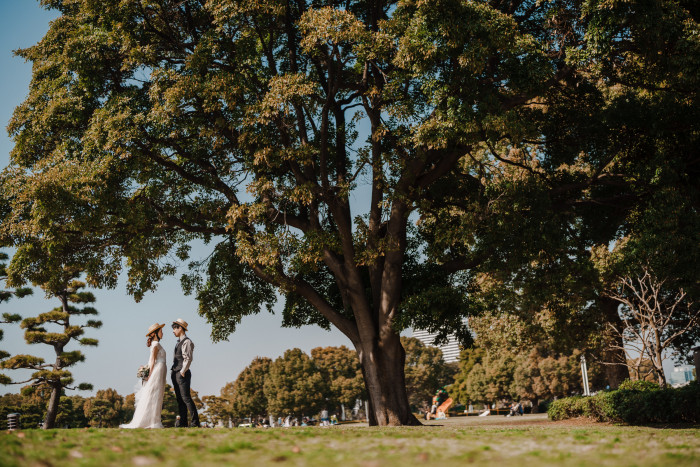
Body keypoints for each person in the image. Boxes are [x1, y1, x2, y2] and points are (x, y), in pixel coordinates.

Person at [121, 323, 167, 429]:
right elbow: (152, 360)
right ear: (155, 333)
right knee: (154, 394)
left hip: (161, 369)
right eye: (160, 331)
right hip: (158, 369)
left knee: (158, 395)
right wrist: (149, 375)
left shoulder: (156, 344)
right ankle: (151, 421)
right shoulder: (155, 345)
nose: (162, 333)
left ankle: (154, 420)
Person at [171, 319, 200, 427]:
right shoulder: (178, 342)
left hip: (182, 373)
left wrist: (182, 372)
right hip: (175, 372)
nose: (173, 331)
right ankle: (183, 423)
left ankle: (195, 422)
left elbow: (188, 358)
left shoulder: (187, 342)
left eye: (174, 328)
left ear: (180, 328)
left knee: (186, 398)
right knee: (180, 399)